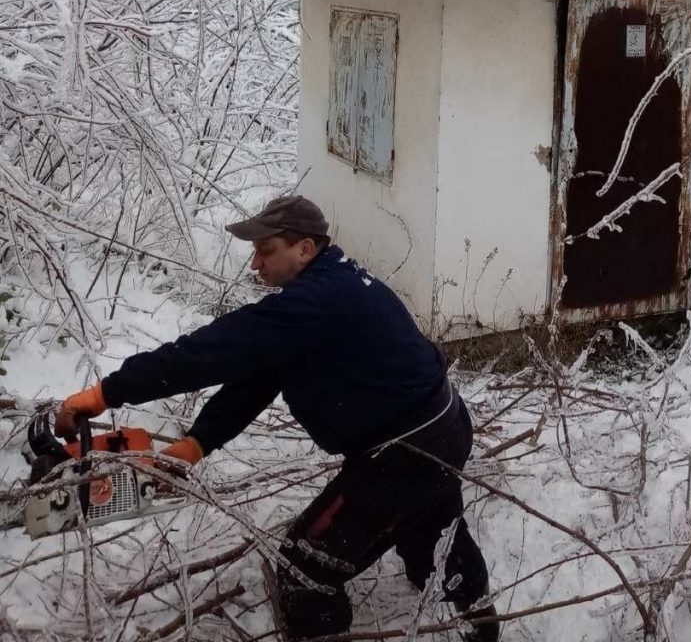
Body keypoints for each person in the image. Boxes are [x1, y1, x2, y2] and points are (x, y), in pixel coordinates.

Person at [55, 195, 497, 641]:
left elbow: (210, 353)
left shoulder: (317, 301)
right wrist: (197, 443)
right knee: (432, 531)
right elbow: (260, 376)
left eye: (266, 251)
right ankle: (482, 623)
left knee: (303, 573)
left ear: (304, 248)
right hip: (442, 427)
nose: (255, 265)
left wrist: (105, 393)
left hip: (402, 454)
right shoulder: (332, 287)